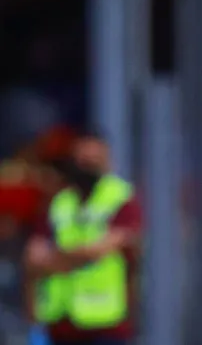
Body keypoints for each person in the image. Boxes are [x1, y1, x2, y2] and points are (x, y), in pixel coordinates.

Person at [23, 130, 142, 345]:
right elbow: (33, 259)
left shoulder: (121, 198)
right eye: (82, 160)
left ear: (107, 160)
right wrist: (82, 255)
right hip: (60, 325)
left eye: (93, 160)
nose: (86, 167)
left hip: (106, 327)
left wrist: (56, 257)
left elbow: (103, 249)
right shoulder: (59, 202)